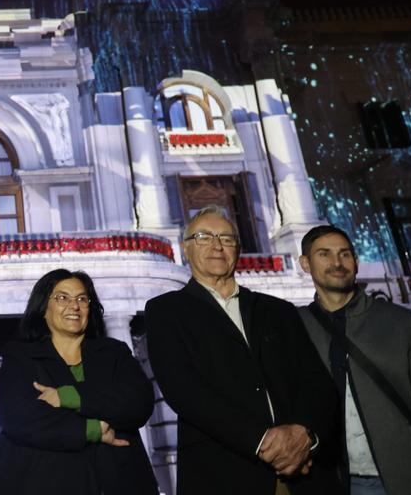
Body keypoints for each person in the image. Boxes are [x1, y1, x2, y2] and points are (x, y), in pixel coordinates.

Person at [144, 205, 340, 495]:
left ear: (237, 248)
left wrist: (305, 437)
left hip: (303, 472)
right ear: (186, 248)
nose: (217, 245)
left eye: (226, 238)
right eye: (204, 237)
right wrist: (262, 441)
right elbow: (184, 391)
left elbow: (317, 383)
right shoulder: (166, 311)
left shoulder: (279, 311)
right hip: (222, 474)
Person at [296, 225, 411, 495]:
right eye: (325, 254)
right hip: (330, 482)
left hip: (407, 479)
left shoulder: (404, 324)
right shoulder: (294, 328)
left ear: (356, 262)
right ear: (305, 264)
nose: (337, 262)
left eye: (345, 254)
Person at [0, 269, 159, 495]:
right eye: (62, 298)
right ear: (44, 309)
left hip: (116, 478)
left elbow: (138, 402)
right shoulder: (21, 356)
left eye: (82, 299)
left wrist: (68, 397)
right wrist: (93, 429)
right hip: (43, 480)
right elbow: (17, 416)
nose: (74, 306)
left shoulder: (114, 353)